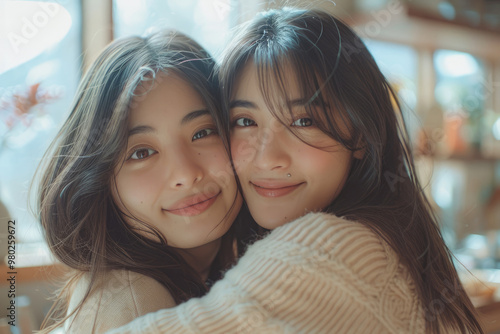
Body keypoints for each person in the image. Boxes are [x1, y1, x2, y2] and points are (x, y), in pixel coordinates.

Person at [107, 7, 483, 334]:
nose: (269, 158)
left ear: (362, 136)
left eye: (304, 121)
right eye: (244, 121)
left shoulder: (330, 250)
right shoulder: (386, 237)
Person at [34, 30, 244, 333]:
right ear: (102, 181)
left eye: (202, 132)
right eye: (142, 152)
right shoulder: (137, 309)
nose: (186, 174)